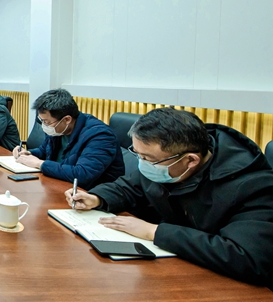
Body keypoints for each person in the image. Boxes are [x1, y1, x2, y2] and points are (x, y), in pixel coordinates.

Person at [66, 108, 273, 287]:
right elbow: (129, 186)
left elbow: (248, 259)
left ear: (191, 160)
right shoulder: (167, 164)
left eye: (147, 158)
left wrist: (155, 232)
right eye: (138, 155)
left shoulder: (254, 187)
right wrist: (96, 197)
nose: (142, 163)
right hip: (171, 270)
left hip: (220, 284)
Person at [12, 89, 123, 189]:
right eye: (42, 121)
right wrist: (27, 153)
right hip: (58, 185)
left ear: (67, 119)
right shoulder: (58, 129)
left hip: (88, 195)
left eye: (47, 122)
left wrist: (40, 164)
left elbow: (82, 175)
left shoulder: (100, 136)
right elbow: (44, 151)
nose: (44, 126)